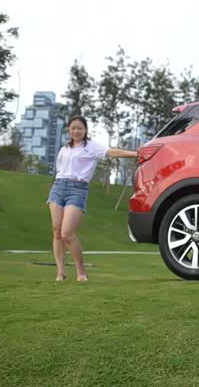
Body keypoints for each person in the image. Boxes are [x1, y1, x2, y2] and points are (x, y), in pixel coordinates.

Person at [47, 115, 137, 282]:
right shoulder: (64, 149)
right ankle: (60, 272)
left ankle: (81, 271)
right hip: (58, 188)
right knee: (57, 232)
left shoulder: (91, 146)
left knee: (67, 234)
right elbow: (60, 169)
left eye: (79, 128)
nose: (76, 131)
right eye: (73, 128)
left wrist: (135, 154)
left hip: (77, 189)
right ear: (69, 130)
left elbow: (111, 152)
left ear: (85, 130)